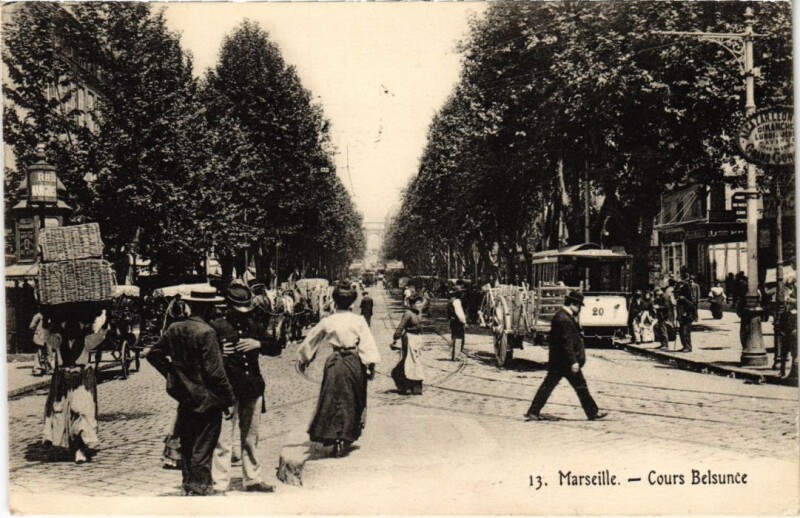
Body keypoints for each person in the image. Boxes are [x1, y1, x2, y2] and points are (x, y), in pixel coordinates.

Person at [148, 286, 236, 496]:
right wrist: (229, 399)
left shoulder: (174, 328)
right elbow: (216, 373)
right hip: (208, 398)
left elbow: (153, 355)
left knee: (187, 444)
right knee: (203, 447)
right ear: (209, 308)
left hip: (185, 397)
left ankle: (187, 485)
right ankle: (201, 488)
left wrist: (173, 374)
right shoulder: (207, 332)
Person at [297, 283, 380, 458]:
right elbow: (367, 344)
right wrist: (370, 365)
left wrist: (304, 359)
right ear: (352, 302)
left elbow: (312, 339)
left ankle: (334, 437)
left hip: (334, 364)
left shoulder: (328, 321)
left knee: (332, 399)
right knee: (352, 399)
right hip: (353, 363)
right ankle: (345, 437)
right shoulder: (358, 320)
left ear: (334, 301)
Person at [210, 284, 274, 494]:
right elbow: (204, 356)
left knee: (250, 437)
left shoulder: (254, 325)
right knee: (223, 440)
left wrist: (259, 344)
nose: (242, 314)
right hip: (227, 390)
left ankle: (253, 479)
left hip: (252, 388)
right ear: (228, 306)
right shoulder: (216, 327)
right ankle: (220, 483)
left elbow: (276, 346)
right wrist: (220, 352)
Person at [525, 291, 606, 421]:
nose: (579, 309)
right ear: (573, 304)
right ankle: (592, 412)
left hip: (560, 362)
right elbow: (565, 343)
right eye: (579, 306)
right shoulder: (563, 319)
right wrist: (574, 361)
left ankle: (533, 411)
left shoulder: (563, 316)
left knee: (555, 386)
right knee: (578, 386)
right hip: (564, 363)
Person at [42, 306, 105, 464]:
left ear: (79, 328)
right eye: (68, 326)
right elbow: (45, 336)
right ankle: (72, 445)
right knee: (62, 413)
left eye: (74, 326)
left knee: (80, 411)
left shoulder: (86, 341)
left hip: (81, 381)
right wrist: (45, 320)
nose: (71, 328)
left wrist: (107, 317)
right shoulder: (59, 341)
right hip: (63, 381)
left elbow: (101, 335)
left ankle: (80, 449)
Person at [391, 296, 426, 395]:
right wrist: (396, 337)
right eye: (417, 303)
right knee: (409, 361)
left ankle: (415, 386)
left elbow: (419, 326)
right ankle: (405, 384)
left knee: (416, 362)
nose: (419, 305)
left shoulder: (419, 312)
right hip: (409, 338)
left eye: (420, 303)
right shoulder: (407, 313)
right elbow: (401, 326)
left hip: (417, 339)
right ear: (411, 304)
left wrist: (421, 340)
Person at [447, 285, 468, 360]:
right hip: (457, 321)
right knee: (459, 337)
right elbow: (459, 313)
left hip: (452, 321)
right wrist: (464, 322)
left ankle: (454, 355)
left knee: (454, 336)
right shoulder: (457, 301)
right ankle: (456, 355)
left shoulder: (450, 300)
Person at [30, 312, 53, 376]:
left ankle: (49, 369)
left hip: (48, 337)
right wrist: (38, 331)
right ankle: (37, 369)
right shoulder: (38, 316)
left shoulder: (51, 316)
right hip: (39, 337)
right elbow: (31, 326)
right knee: (38, 353)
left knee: (48, 353)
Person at [675, 281, 695, 353]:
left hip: (688, 317)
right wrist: (678, 316)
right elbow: (679, 308)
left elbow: (691, 305)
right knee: (681, 332)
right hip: (682, 317)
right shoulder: (680, 298)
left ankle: (688, 347)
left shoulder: (687, 297)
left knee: (685, 332)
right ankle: (684, 346)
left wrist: (684, 299)